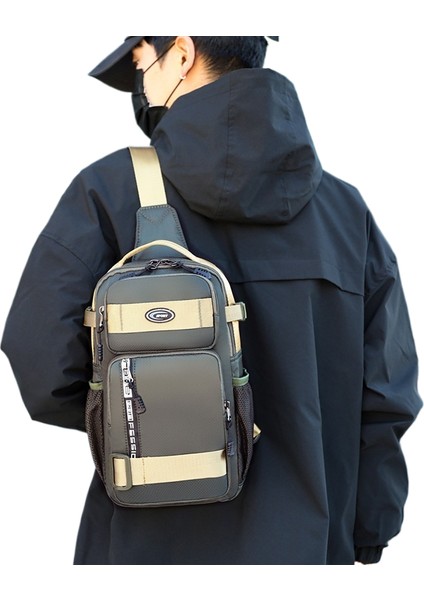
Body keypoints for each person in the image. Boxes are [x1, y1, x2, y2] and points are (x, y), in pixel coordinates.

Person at [1, 36, 422, 565]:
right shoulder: (346, 212)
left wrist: (140, 414)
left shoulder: (109, 191)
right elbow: (386, 393)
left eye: (141, 64)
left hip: (142, 546)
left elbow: (42, 363)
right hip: (308, 548)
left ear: (181, 53)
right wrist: (369, 527)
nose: (141, 85)